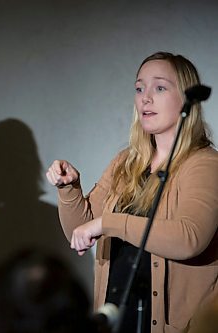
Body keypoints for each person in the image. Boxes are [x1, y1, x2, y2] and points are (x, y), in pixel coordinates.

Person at [46, 52, 218, 333]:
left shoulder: (205, 164)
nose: (145, 98)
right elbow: (80, 230)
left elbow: (190, 238)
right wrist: (69, 190)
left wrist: (108, 223)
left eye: (159, 88)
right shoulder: (127, 162)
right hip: (118, 318)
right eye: (140, 88)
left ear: (186, 98)